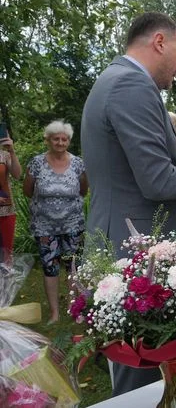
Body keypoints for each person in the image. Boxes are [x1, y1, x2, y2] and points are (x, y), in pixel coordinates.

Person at [81, 11, 176, 396]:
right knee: (139, 370)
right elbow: (157, 180)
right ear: (159, 42)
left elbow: (140, 169)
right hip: (134, 245)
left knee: (147, 363)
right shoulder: (131, 85)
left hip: (129, 238)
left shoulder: (117, 81)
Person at [23, 121, 88, 324]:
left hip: (73, 224)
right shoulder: (36, 163)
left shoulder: (78, 163)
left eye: (64, 139)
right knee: (49, 267)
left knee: (73, 267)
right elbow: (27, 190)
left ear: (68, 141)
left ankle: (73, 307)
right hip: (44, 226)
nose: (60, 142)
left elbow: (83, 190)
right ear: (48, 140)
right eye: (56, 139)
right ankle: (54, 313)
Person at [0, 131, 23, 264]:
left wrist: (12, 151)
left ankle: (4, 284)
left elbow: (17, 174)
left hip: (5, 212)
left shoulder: (4, 155)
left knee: (5, 256)